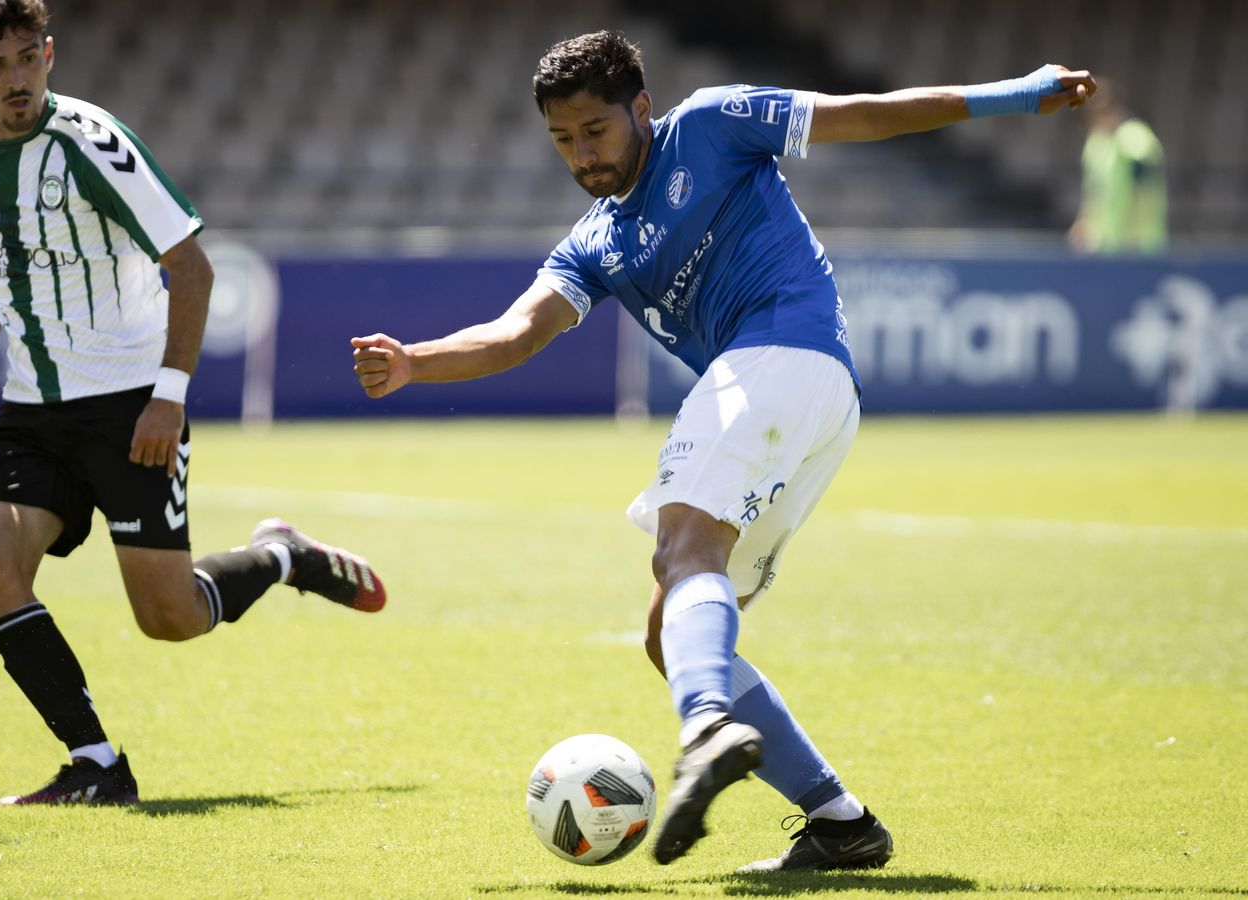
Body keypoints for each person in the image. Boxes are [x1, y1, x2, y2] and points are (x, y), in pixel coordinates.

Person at [352, 31, 1093, 871]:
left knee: (682, 549)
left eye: (595, 130)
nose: (582, 155)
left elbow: (866, 115)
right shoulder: (595, 242)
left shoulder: (711, 125)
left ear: (641, 107)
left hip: (782, 355)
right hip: (805, 401)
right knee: (669, 631)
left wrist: (1015, 94)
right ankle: (841, 825)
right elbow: (518, 332)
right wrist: (415, 362)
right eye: (563, 140)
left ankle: (705, 725)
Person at [0, 0, 385, 806]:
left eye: (28, 58)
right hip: (32, 412)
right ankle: (96, 765)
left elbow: (192, 268)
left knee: (169, 618)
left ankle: (281, 555)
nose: (17, 80)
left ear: (50, 53)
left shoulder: (92, 144)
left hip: (130, 405)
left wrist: (168, 398)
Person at [1070, 81, 1166, 255]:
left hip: (1138, 247)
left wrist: (1132, 238)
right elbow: (1093, 191)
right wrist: (1084, 222)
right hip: (1106, 246)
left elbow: (1143, 189)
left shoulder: (1137, 138)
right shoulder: (1095, 143)